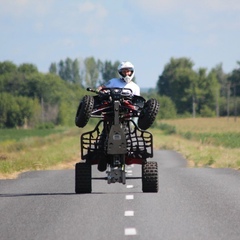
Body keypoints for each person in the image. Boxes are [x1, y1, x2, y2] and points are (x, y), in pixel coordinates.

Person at [97, 61, 140, 172]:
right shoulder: (113, 81)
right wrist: (100, 90)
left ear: (132, 72)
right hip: (110, 114)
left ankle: (128, 156)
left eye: (128, 71)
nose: (126, 73)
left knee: (128, 135)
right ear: (120, 72)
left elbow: (138, 103)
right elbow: (102, 88)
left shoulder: (135, 87)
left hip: (125, 116)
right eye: (124, 71)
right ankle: (102, 157)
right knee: (105, 134)